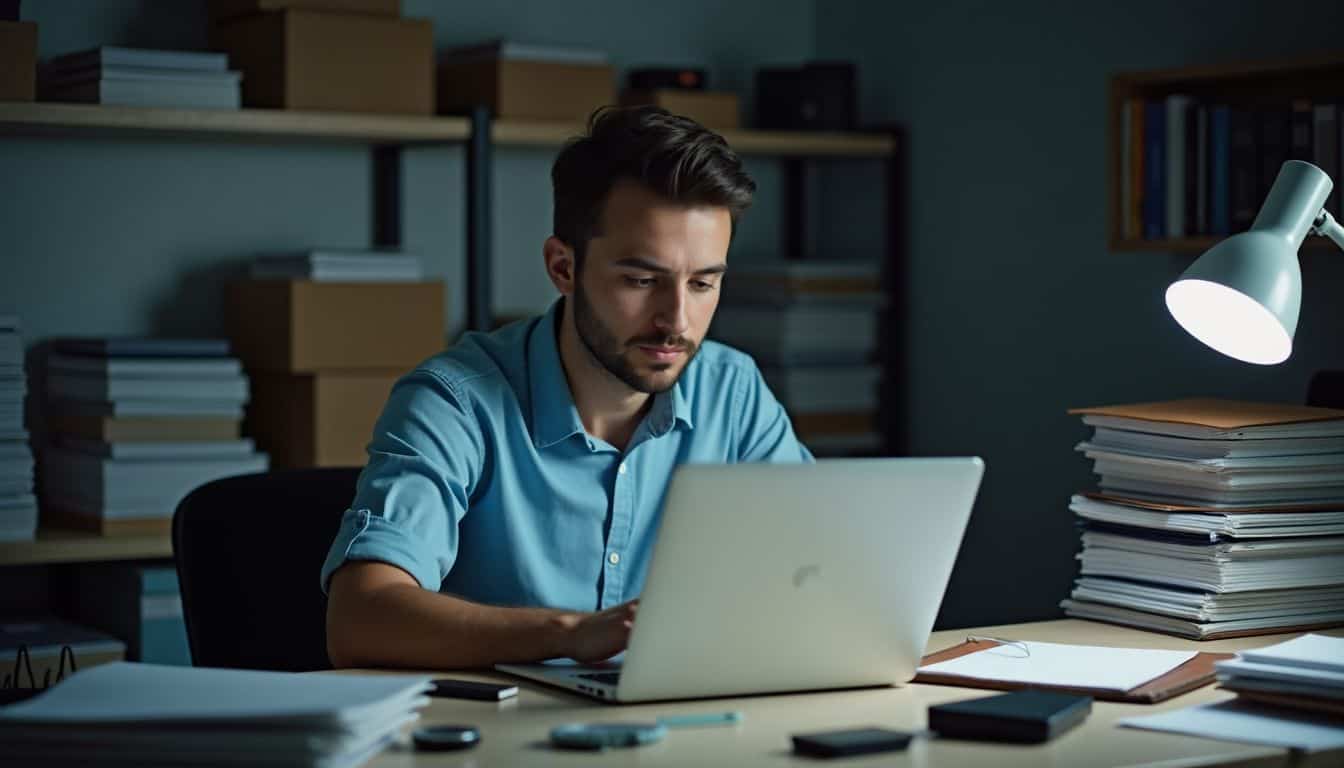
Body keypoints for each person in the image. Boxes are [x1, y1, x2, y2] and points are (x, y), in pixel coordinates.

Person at [322, 105, 813, 670]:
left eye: (702, 283)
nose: (677, 319)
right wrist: (570, 633)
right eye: (641, 280)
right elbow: (360, 619)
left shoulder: (735, 392)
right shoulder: (455, 401)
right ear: (562, 267)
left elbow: (815, 577)